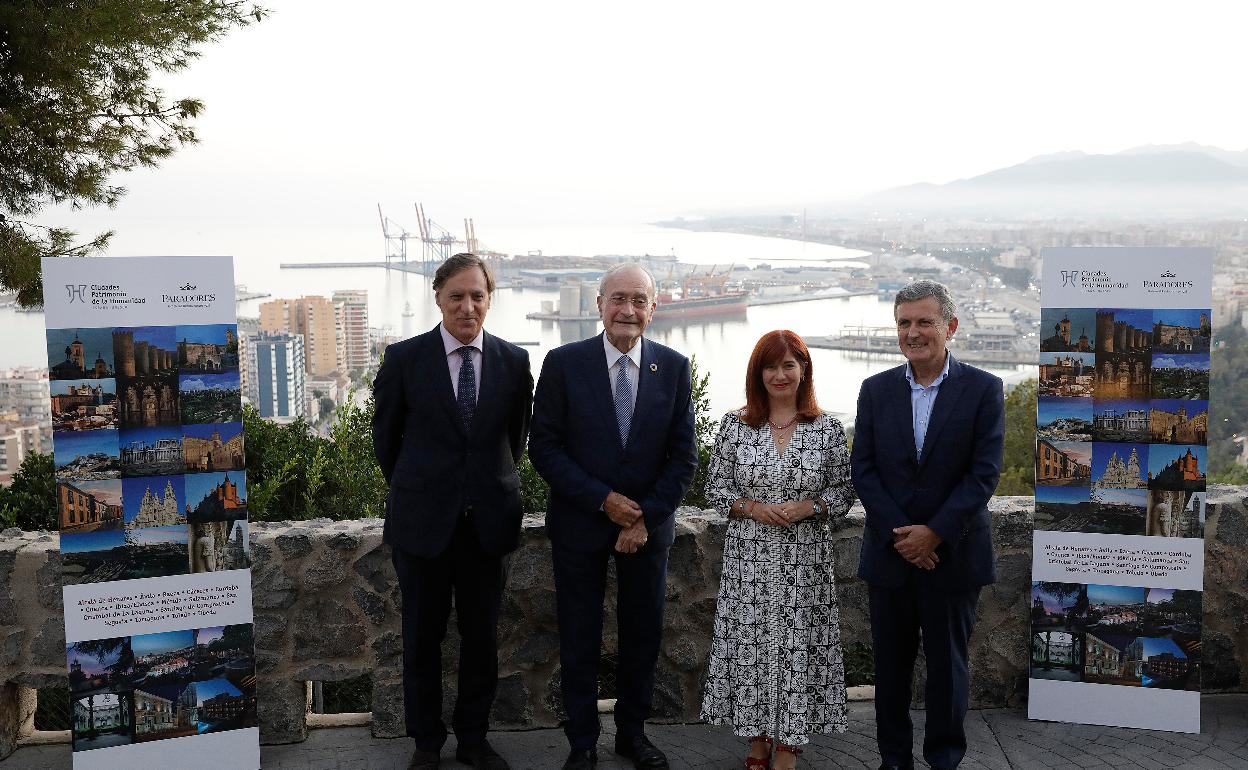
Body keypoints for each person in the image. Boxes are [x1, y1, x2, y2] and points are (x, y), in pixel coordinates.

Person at [529, 263, 698, 770]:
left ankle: (632, 734)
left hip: (648, 531)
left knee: (642, 635)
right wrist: (604, 500)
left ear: (653, 307)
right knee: (578, 636)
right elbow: (545, 448)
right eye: (617, 299)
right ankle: (582, 741)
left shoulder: (673, 367)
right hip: (580, 524)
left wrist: (643, 516)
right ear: (599, 304)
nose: (628, 310)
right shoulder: (563, 364)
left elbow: (683, 456)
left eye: (638, 300)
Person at [372, 253, 533, 770]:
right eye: (457, 296)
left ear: (489, 300)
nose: (468, 306)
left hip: (488, 522)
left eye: (478, 296)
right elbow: (386, 443)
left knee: (482, 639)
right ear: (438, 298)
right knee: (421, 637)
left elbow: (516, 440)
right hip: (422, 523)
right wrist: (425, 488)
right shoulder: (405, 359)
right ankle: (425, 742)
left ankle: (473, 738)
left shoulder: (513, 362)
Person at [851, 279, 1004, 770]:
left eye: (924, 322)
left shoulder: (983, 389)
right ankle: (893, 760)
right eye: (904, 323)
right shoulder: (875, 391)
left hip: (952, 554)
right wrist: (904, 536)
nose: (913, 332)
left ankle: (944, 759)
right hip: (891, 554)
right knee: (890, 671)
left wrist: (933, 533)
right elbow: (865, 471)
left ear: (950, 327)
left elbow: (984, 474)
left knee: (948, 669)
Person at [700, 330, 856, 770]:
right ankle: (758, 738)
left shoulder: (825, 428)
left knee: (796, 647)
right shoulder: (734, 424)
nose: (780, 374)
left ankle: (788, 742)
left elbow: (844, 491)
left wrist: (811, 506)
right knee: (753, 646)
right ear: (758, 373)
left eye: (789, 365)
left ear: (804, 369)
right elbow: (716, 487)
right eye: (771, 366)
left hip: (805, 558)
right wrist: (751, 507)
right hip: (748, 557)